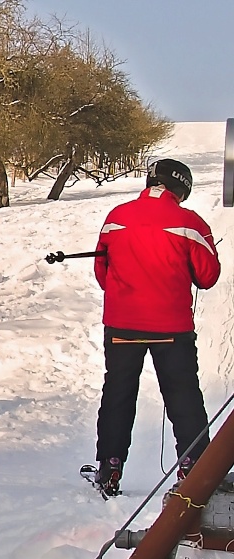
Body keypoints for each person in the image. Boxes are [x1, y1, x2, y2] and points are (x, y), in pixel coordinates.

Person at [90, 158, 221, 497]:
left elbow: (102, 272)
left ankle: (110, 467)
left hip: (122, 325)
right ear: (182, 188)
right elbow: (207, 276)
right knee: (183, 394)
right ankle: (194, 468)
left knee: (118, 392)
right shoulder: (189, 222)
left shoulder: (116, 217)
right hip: (171, 328)